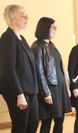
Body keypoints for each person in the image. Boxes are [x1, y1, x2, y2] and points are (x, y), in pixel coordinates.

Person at [0, 4, 39, 133]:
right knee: (21, 126)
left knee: (33, 125)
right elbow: (8, 69)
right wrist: (19, 94)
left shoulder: (21, 38)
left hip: (30, 89)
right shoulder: (7, 37)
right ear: (13, 19)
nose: (27, 18)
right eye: (23, 15)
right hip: (18, 90)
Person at [31, 17, 72, 133]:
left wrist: (66, 87)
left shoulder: (51, 45)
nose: (55, 30)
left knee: (60, 119)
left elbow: (60, 68)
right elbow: (39, 73)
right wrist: (46, 92)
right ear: (45, 28)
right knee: (47, 120)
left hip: (59, 87)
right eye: (53, 27)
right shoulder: (37, 47)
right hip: (50, 89)